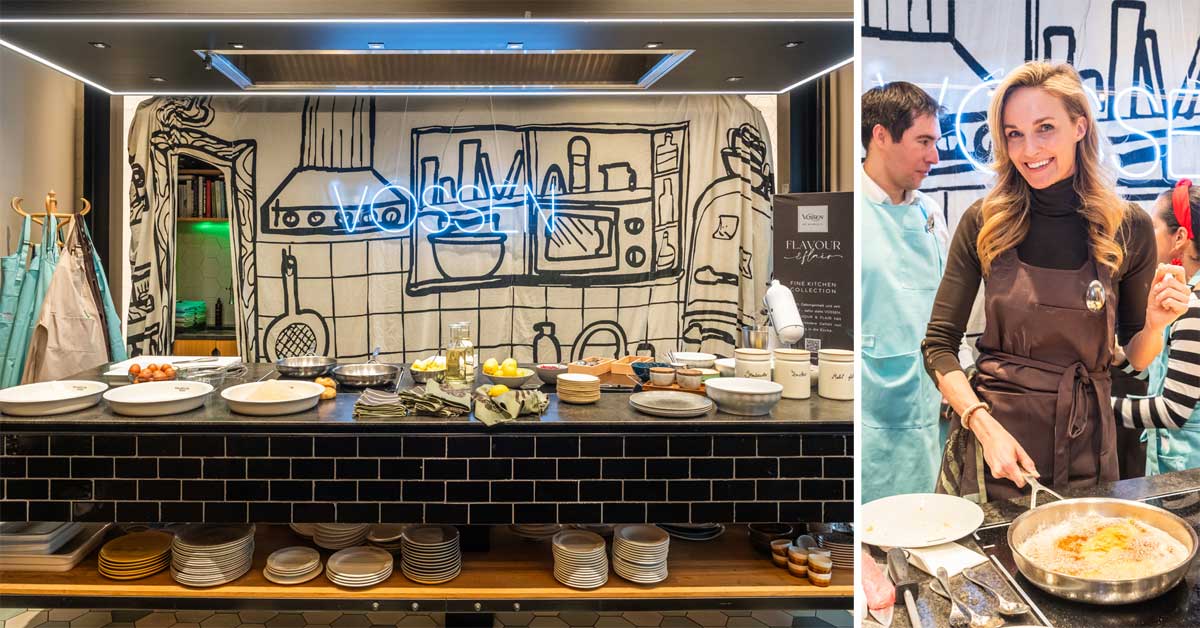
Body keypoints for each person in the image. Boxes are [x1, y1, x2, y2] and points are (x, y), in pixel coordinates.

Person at [924, 61, 1191, 502]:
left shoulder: (1127, 227)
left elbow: (1136, 359)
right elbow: (937, 345)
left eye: (1044, 128)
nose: (1029, 149)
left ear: (1080, 126)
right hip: (995, 447)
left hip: (1086, 444)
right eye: (1014, 133)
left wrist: (1157, 325)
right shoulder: (984, 222)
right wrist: (982, 426)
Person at [860, 81, 950, 503]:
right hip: (869, 416)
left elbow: (949, 313)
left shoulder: (931, 214)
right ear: (880, 136)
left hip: (932, 408)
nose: (934, 156)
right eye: (924, 141)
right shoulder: (844, 214)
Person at [1113, 180, 1200, 474]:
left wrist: (1097, 407)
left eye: (1152, 228)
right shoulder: (1186, 297)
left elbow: (1173, 410)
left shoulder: (1192, 308)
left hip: (1187, 472)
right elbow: (1172, 376)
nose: (1144, 238)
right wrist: (1121, 359)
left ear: (1180, 237)